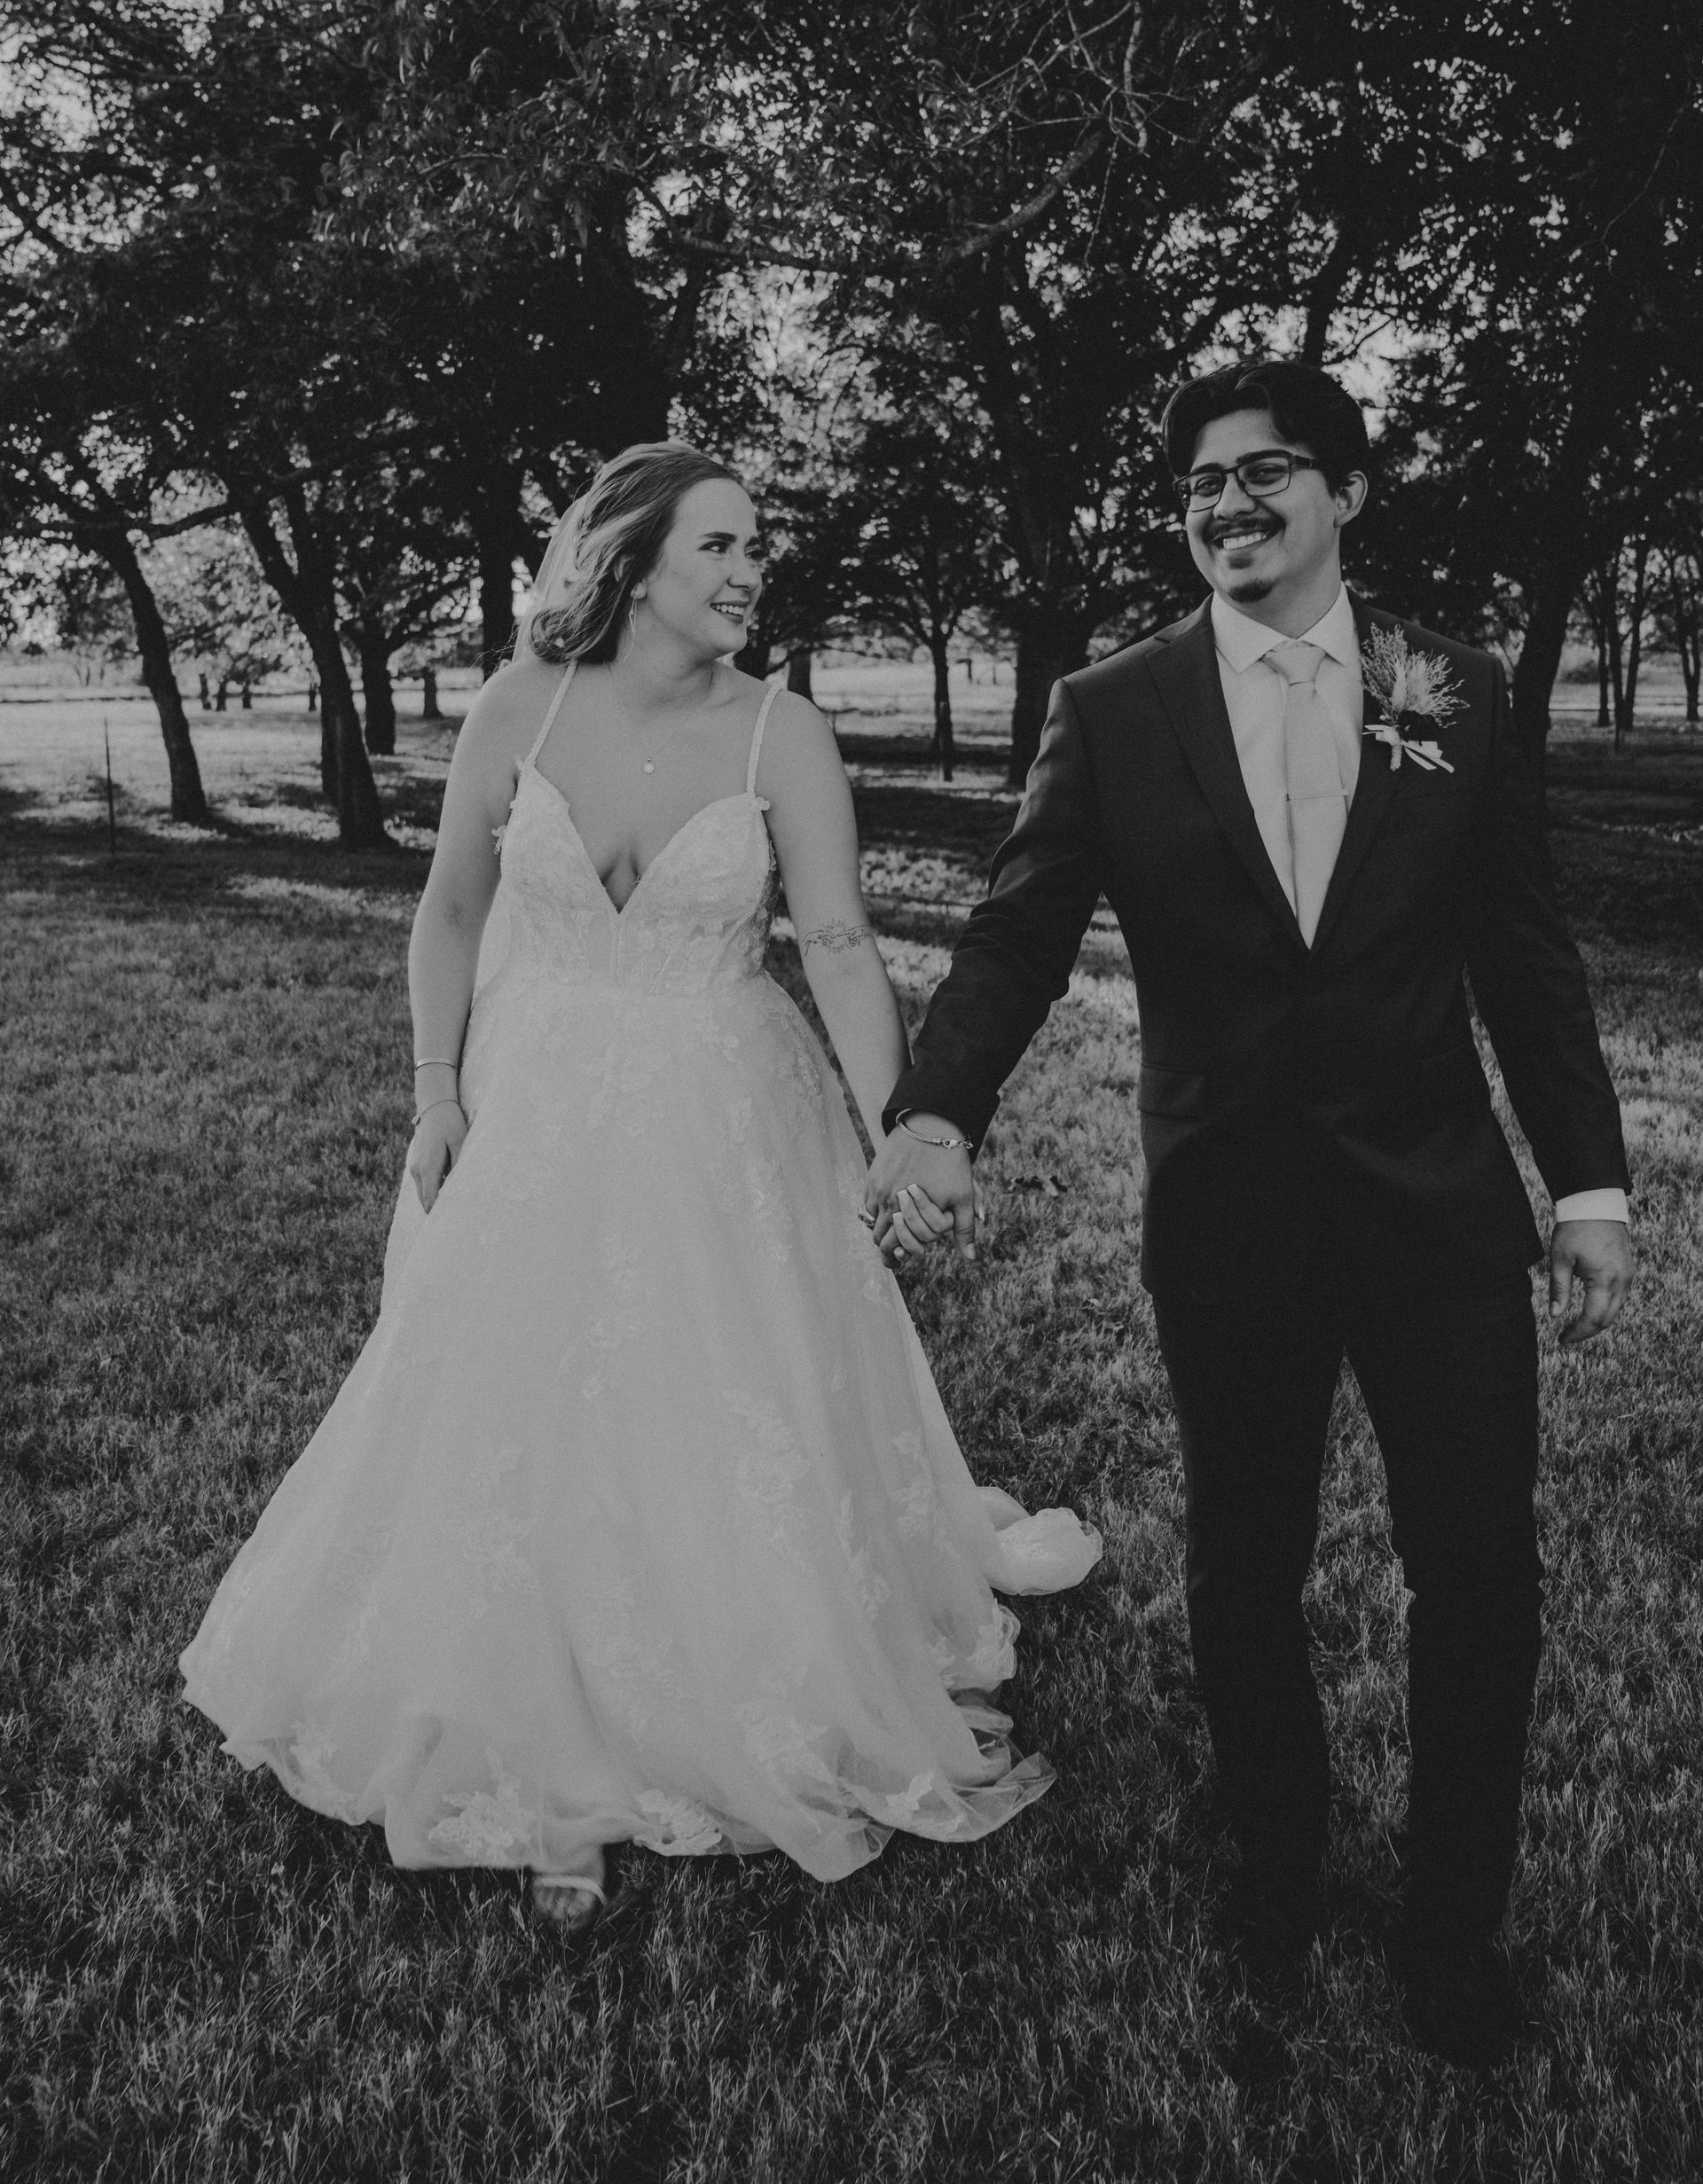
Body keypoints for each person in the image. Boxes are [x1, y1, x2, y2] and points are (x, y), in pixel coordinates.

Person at [181, 442, 1099, 1933]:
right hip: (532, 1099)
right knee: (512, 1397)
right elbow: (451, 913)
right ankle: (528, 1717)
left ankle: (726, 1673)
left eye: (758, 552)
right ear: (632, 558)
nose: (749, 574)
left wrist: (898, 1127)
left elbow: (843, 946)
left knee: (711, 1389)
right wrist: (435, 1091)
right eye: (723, 545)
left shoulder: (778, 734)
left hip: (719, 1108)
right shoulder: (518, 704)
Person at [868, 362, 1633, 2065]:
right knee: (1245, 1567)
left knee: (1482, 1575)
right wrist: (938, 1109)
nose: (1230, 504)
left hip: (1439, 1211)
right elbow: (1016, 932)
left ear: (1345, 493)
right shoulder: (1116, 704)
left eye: (1268, 472)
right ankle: (1276, 1873)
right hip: (1229, 1210)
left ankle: (1455, 1929)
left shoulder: (1459, 687)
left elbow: (1524, 952)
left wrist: (1586, 1179)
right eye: (1201, 484)